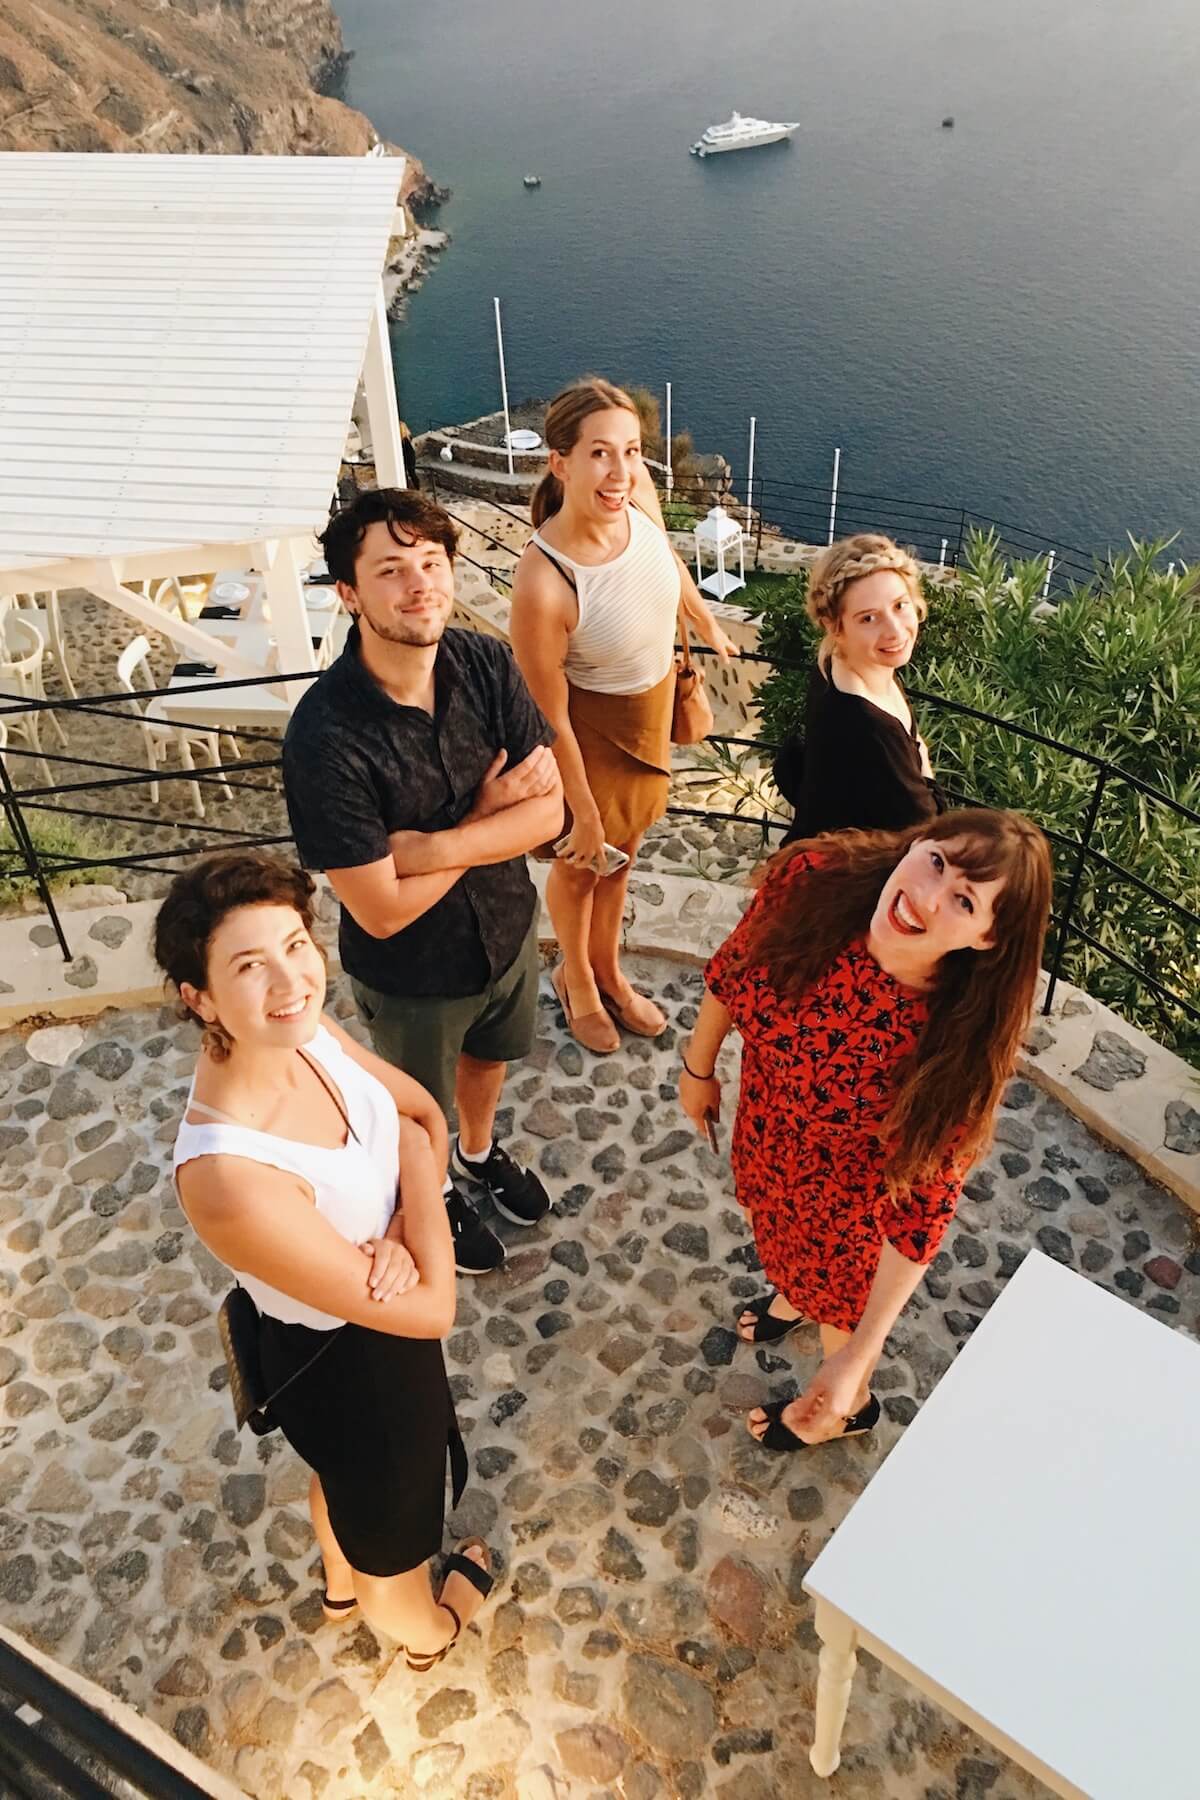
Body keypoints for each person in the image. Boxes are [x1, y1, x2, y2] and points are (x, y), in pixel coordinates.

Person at [159, 852, 495, 1664]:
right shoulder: (229, 1173)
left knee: (339, 1482)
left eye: (296, 946)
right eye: (249, 965)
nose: (290, 982)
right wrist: (418, 1184)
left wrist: (408, 1201)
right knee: (391, 1535)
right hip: (355, 1373)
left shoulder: (306, 1032)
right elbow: (431, 1309)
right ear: (196, 996)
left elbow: (420, 1111)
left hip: (359, 1335)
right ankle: (429, 1632)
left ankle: (340, 1589)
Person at [678, 809, 1052, 1453]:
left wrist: (858, 1356)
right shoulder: (812, 881)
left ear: (990, 937)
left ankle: (851, 1410)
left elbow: (920, 1218)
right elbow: (734, 967)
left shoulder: (954, 1049)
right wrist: (698, 1069)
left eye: (964, 900)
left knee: (838, 1320)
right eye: (935, 861)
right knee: (779, 1248)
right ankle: (794, 1295)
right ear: (917, 841)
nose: (927, 896)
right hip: (766, 1142)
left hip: (848, 1217)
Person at [282, 488, 563, 1277]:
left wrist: (423, 846)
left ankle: (476, 1154)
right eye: (392, 569)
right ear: (349, 594)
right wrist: (486, 817)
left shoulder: (484, 663)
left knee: (489, 1060)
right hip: (412, 974)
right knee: (416, 1104)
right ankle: (432, 1185)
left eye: (433, 563)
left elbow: (552, 815)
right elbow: (379, 909)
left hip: (506, 930)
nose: (421, 585)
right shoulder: (325, 735)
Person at [510, 377, 737, 1054]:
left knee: (626, 852)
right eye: (601, 453)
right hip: (590, 732)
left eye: (632, 451)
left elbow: (663, 562)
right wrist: (578, 805)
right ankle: (574, 975)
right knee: (582, 864)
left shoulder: (638, 497)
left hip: (651, 707)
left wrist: (706, 622)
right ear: (561, 462)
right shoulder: (545, 579)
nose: (620, 471)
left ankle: (607, 964)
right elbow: (547, 714)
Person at [772, 534, 946, 844]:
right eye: (868, 618)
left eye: (899, 605)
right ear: (834, 627)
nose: (894, 631)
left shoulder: (836, 662)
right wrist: (923, 760)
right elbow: (927, 827)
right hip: (850, 879)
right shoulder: (867, 726)